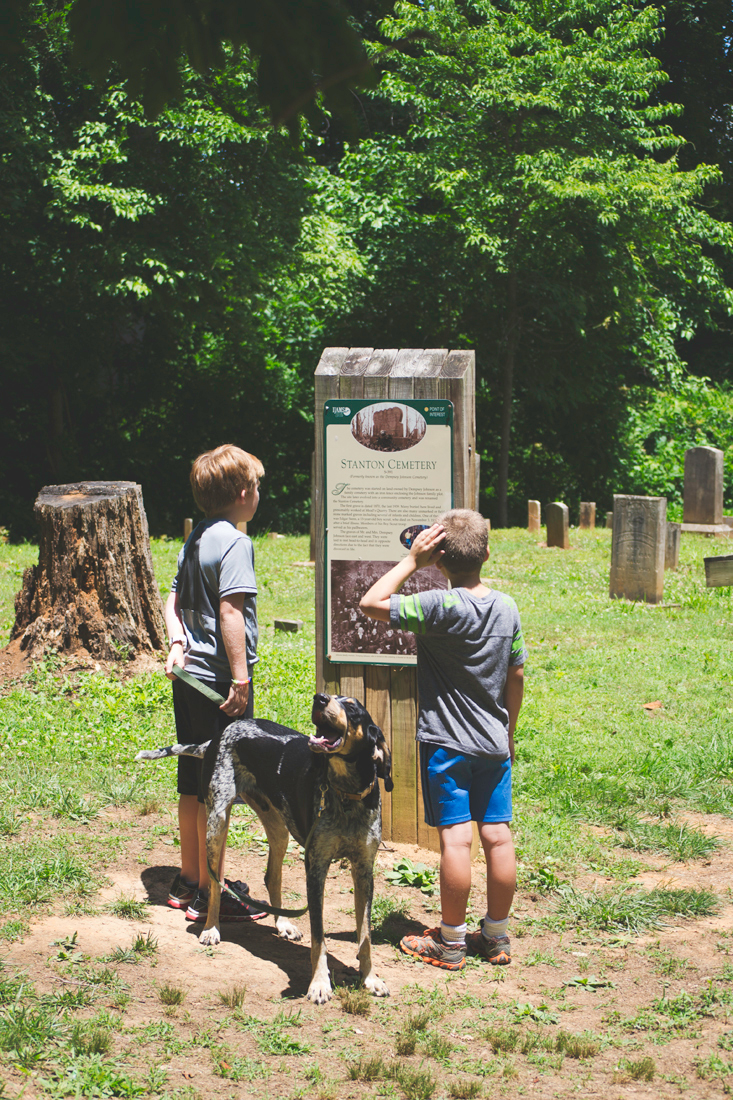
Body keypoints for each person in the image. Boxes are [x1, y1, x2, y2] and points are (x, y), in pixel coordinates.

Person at [359, 509, 526, 970]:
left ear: (439, 560)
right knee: (497, 836)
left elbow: (372, 603)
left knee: (456, 841)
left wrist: (412, 560)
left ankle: (450, 943)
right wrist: (508, 729)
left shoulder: (437, 606)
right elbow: (516, 674)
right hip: (494, 744)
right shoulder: (507, 607)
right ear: (487, 553)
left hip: (447, 744)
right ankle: (495, 937)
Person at [164, 443, 266, 924]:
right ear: (244, 492)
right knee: (218, 789)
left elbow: (172, 598)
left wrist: (176, 642)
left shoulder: (197, 536)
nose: (259, 493)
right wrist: (240, 678)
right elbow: (231, 610)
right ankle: (213, 890)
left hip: (187, 678)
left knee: (192, 782)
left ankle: (189, 879)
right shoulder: (236, 542)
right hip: (219, 685)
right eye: (258, 486)